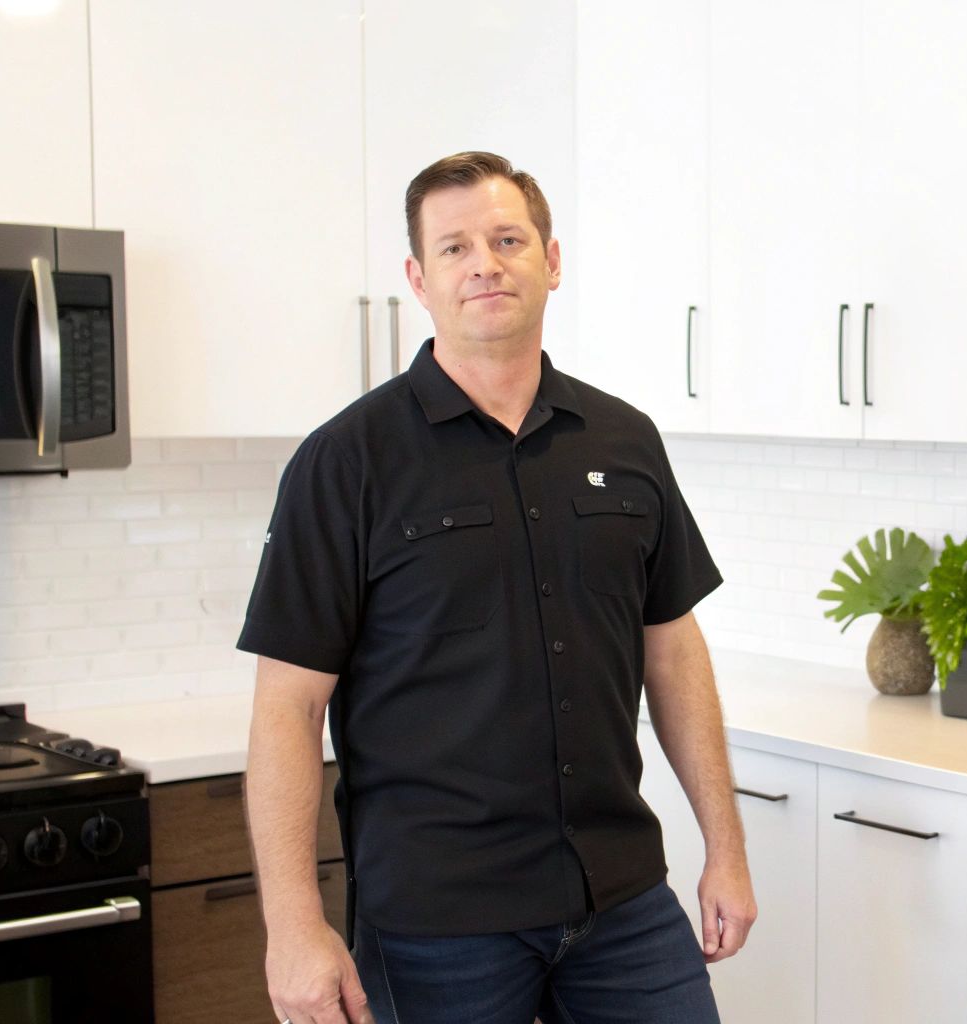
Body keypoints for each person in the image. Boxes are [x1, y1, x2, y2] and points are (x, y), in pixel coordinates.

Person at [238, 151, 752, 1024]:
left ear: (552, 261)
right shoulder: (346, 461)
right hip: (437, 925)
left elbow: (672, 648)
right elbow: (288, 706)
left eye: (508, 238)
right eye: (455, 247)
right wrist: (293, 925)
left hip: (620, 897)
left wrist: (725, 847)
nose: (484, 262)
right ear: (419, 278)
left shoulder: (625, 441)